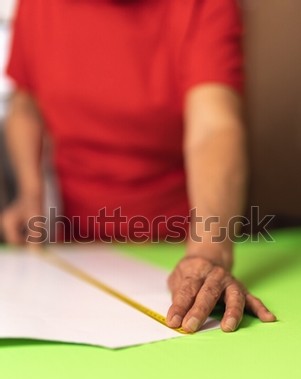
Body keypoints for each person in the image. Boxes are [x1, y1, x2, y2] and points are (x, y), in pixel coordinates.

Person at [1, 0, 276, 333]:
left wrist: (208, 250)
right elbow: (25, 104)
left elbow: (213, 127)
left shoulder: (204, 6)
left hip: (176, 242)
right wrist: (31, 193)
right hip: (74, 247)